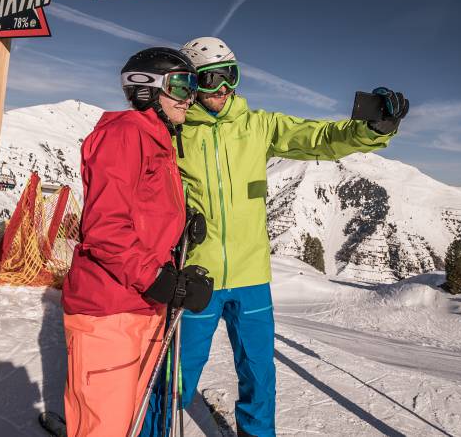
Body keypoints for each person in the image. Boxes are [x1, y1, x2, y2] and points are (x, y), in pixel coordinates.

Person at [141, 37, 409, 437]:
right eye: (211, 79)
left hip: (252, 277)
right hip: (196, 277)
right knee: (178, 373)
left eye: (230, 76)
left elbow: (320, 137)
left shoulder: (258, 126)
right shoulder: (174, 134)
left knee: (259, 372)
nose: (223, 89)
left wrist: (372, 129)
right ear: (192, 83)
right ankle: (153, 432)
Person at [61, 47, 214, 437]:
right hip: (110, 309)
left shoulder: (158, 141)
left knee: (126, 421)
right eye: (182, 85)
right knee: (106, 427)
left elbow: (138, 214)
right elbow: (105, 228)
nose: (190, 97)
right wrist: (162, 281)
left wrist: (179, 230)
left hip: (139, 305)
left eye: (193, 86)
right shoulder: (126, 134)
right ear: (147, 89)